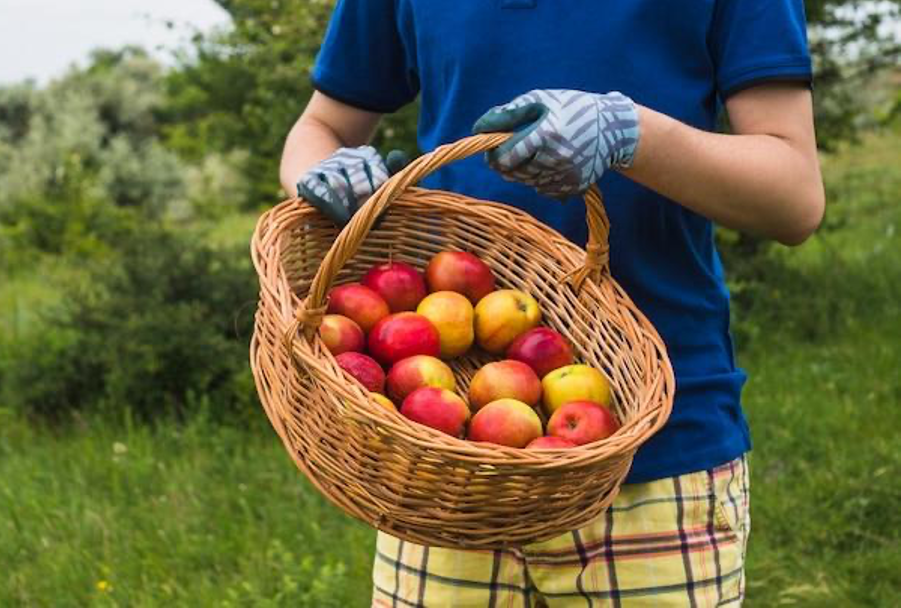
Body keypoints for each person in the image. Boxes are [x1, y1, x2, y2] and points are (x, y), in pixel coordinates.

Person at [280, 1, 824, 605]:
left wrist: (631, 133)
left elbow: (794, 198)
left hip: (655, 451)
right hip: (446, 455)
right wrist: (323, 172)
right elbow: (321, 126)